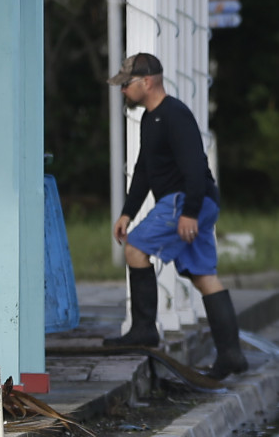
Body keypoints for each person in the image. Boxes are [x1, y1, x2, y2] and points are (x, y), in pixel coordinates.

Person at [105, 52, 248, 378]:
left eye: (126, 84)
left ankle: (144, 329)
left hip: (185, 200)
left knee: (135, 248)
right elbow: (142, 171)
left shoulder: (175, 115)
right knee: (202, 275)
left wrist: (190, 212)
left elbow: (197, 167)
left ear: (147, 81)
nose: (122, 91)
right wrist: (127, 212)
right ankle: (231, 355)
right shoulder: (150, 118)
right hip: (191, 202)